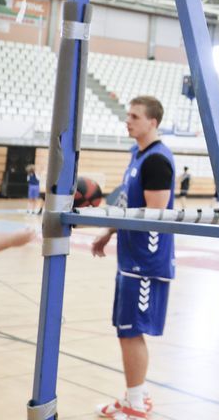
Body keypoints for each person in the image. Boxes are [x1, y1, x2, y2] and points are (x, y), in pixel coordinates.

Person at [92, 96, 175, 419]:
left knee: (131, 329)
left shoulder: (157, 161)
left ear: (153, 122)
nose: (128, 121)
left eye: (135, 116)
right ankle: (135, 395)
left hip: (146, 261)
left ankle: (136, 404)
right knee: (125, 329)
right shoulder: (137, 155)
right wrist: (109, 231)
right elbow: (129, 204)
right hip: (130, 257)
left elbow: (154, 214)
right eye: (128, 115)